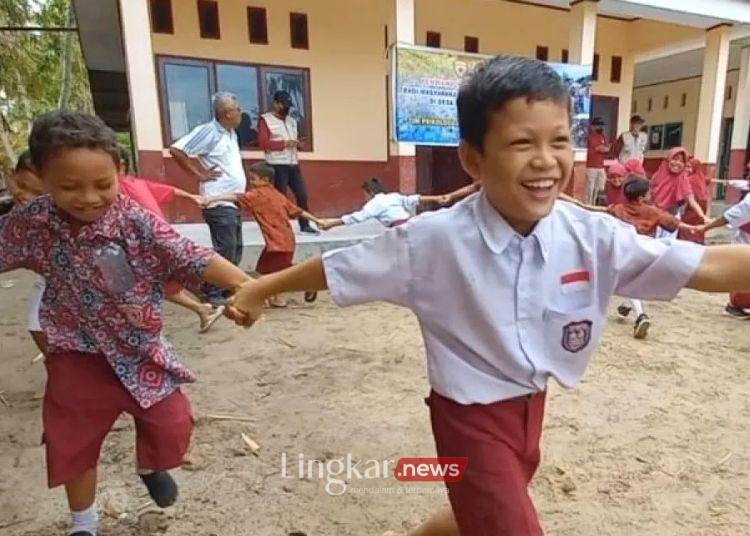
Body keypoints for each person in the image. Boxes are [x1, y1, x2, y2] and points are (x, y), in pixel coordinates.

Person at [226, 55, 750, 535]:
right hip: (469, 418)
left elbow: (702, 266)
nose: (546, 161)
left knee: (471, 516)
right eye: (523, 144)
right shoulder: (432, 242)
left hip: (530, 410)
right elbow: (338, 268)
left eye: (560, 142)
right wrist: (258, 289)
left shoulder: (590, 235)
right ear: (474, 160)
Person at [0, 111, 251, 536]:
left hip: (140, 347)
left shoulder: (134, 220)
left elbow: (190, 255)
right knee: (71, 441)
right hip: (75, 351)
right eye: (69, 186)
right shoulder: (33, 222)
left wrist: (247, 286)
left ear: (119, 170)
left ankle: (150, 465)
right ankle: (84, 524)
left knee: (173, 424)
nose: (88, 198)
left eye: (102, 184)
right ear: (41, 177)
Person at [117, 148, 226, 332]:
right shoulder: (137, 183)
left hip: (147, 242)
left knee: (156, 282)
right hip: (156, 240)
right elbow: (171, 191)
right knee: (166, 280)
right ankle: (204, 307)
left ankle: (205, 306)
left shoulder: (117, 186)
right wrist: (193, 197)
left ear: (119, 164)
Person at [588, 177, 699, 339]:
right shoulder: (652, 211)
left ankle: (639, 314)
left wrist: (574, 203)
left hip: (624, 250)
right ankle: (632, 310)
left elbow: (596, 210)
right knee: (634, 282)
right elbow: (673, 223)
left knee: (628, 281)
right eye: (648, 193)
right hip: (647, 250)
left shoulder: (618, 209)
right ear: (641, 197)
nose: (651, 194)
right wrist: (694, 228)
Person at [202, 161, 324, 307]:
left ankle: (302, 287)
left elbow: (236, 197)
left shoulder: (257, 195)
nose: (251, 182)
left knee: (280, 272)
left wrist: (212, 198)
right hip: (284, 240)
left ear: (265, 180)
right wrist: (317, 220)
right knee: (266, 269)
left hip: (277, 242)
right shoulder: (278, 195)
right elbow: (298, 211)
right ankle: (271, 297)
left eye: (253, 179)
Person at [170, 91, 247, 306]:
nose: (241, 113)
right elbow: (177, 150)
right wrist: (199, 174)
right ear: (227, 113)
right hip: (217, 201)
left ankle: (221, 289)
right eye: (238, 109)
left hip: (232, 201)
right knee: (226, 248)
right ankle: (211, 292)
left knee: (235, 248)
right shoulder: (209, 132)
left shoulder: (230, 133)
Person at [258, 90, 318, 235]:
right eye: (283, 105)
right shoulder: (266, 120)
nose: (287, 108)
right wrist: (285, 144)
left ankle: (304, 225)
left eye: (288, 105)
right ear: (276, 104)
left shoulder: (292, 121)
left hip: (293, 163)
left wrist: (298, 145)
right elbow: (263, 143)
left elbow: (294, 141)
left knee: (302, 195)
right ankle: (279, 227)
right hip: (277, 164)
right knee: (280, 197)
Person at [7, 150, 48, 354]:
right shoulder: (17, 216)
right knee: (37, 326)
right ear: (12, 174)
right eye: (21, 186)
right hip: (50, 280)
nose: (25, 197)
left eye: (37, 194)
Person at [318, 178, 449, 230]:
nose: (365, 198)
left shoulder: (375, 203)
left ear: (370, 192)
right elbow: (414, 199)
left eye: (365, 194)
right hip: (411, 225)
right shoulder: (394, 196)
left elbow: (356, 217)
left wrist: (331, 224)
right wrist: (436, 198)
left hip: (398, 230)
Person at [700, 190, 750, 317]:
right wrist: (706, 228)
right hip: (746, 243)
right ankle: (734, 305)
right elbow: (730, 216)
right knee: (742, 275)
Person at [650, 147, 708, 238]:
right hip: (654, 217)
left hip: (672, 217)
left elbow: (691, 200)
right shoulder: (657, 176)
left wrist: (703, 216)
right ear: (668, 159)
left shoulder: (683, 178)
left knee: (669, 247)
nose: (677, 163)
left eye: (681, 161)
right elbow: (648, 197)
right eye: (675, 159)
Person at [678, 157, 713, 244]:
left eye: (689, 167)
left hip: (692, 207)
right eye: (685, 166)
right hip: (702, 207)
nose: (686, 169)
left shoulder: (690, 179)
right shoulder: (700, 176)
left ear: (695, 168)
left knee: (687, 227)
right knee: (697, 227)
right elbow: (708, 180)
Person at [585, 117, 610, 205]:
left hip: (601, 166)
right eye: (598, 126)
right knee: (590, 188)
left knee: (600, 188)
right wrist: (596, 149)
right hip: (591, 166)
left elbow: (608, 148)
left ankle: (597, 205)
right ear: (592, 127)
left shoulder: (604, 136)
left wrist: (605, 149)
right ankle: (588, 205)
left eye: (602, 126)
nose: (600, 128)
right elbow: (586, 151)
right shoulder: (589, 137)